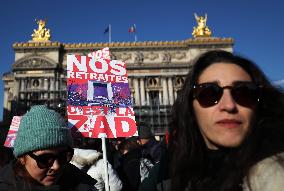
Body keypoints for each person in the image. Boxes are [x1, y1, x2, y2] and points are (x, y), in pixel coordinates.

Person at [139, 50, 284, 191]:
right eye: (209, 93)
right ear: (190, 107)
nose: (229, 105)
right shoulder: (170, 172)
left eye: (244, 92)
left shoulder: (276, 174)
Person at [0, 105, 97, 191]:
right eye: (45, 159)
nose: (56, 166)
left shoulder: (83, 185)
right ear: (22, 158)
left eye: (63, 156)